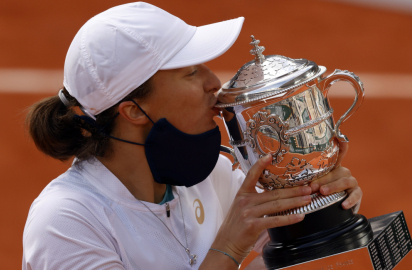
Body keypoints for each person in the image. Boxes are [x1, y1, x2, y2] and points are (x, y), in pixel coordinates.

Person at [22, 2, 363, 269]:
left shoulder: (209, 175)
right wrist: (228, 249)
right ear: (134, 111)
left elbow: (289, 259)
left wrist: (320, 199)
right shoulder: (66, 222)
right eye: (191, 72)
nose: (214, 82)